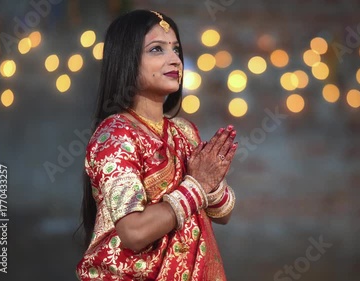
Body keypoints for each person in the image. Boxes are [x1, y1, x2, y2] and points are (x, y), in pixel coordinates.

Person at [76, 9, 238, 281]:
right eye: (157, 50)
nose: (175, 60)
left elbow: (223, 212)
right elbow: (134, 233)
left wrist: (211, 180)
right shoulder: (115, 136)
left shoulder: (183, 132)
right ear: (126, 60)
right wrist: (198, 185)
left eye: (176, 49)